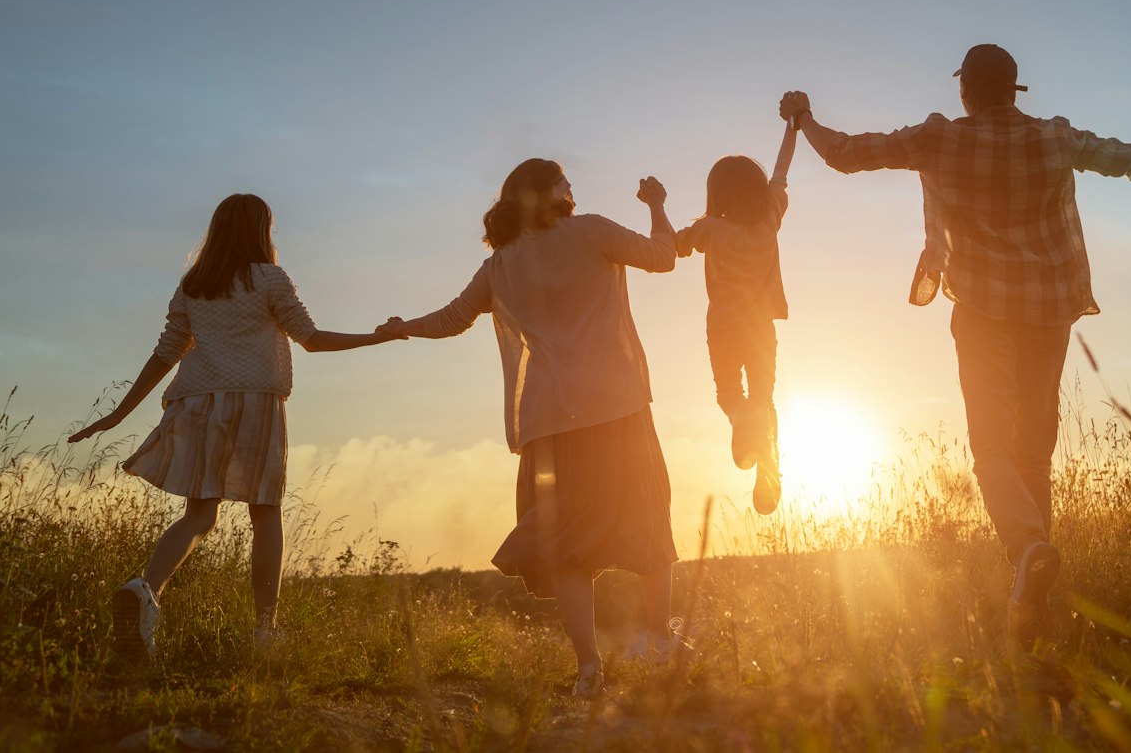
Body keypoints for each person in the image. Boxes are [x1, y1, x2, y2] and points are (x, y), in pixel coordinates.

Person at [777, 44, 1131, 627]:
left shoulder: (938, 137)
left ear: (964, 91)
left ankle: (1028, 551)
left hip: (980, 312)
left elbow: (845, 155)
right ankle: (1035, 605)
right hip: (1048, 312)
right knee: (1033, 455)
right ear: (1014, 89)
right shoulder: (1055, 138)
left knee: (993, 451)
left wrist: (803, 119)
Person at [376, 160, 681, 698]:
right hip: (618, 408)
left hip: (551, 421)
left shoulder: (501, 265)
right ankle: (659, 638)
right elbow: (664, 258)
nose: (573, 187)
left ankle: (589, 669)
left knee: (565, 545)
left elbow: (451, 319)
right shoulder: (591, 231)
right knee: (648, 516)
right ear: (550, 193)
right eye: (565, 180)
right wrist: (657, 204)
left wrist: (404, 329)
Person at [68, 192, 402, 662]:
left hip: (198, 402)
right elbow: (312, 340)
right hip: (255, 402)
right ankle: (265, 631)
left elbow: (167, 352)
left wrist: (119, 414)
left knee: (199, 516)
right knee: (265, 513)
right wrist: (378, 337)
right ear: (262, 231)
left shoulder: (194, 284)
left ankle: (144, 590)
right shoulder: (269, 279)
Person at [674, 118, 798, 514]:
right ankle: (768, 457)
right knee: (764, 396)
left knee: (729, 392)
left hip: (723, 326)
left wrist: (658, 210)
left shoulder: (710, 229)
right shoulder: (770, 220)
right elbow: (782, 172)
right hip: (760, 326)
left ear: (716, 194)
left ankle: (742, 418)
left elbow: (674, 248)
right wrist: (792, 128)